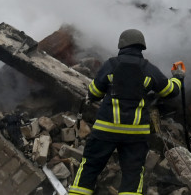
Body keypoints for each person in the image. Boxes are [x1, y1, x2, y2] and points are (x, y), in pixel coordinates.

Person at [68, 29, 183, 195]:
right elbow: (170, 91)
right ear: (141, 46)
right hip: (135, 135)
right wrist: (178, 78)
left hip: (105, 131)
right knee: (132, 176)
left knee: (90, 168)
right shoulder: (148, 69)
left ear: (121, 44)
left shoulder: (111, 65)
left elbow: (94, 93)